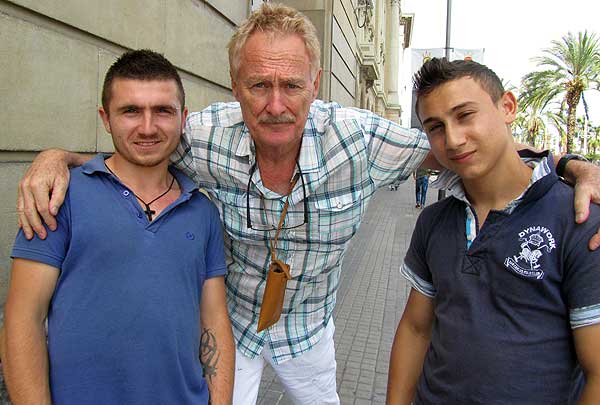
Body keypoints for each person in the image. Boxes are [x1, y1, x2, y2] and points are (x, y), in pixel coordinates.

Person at [13, 4, 600, 404]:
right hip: (231, 332)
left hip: (312, 334)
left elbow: (467, 144)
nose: (274, 104)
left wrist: (570, 165)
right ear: (234, 85)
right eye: (257, 85)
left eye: (291, 85)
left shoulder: (364, 141)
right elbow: (132, 145)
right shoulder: (204, 133)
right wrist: (55, 157)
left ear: (315, 84)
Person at [3, 50, 234, 404]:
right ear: (105, 118)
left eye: (162, 111)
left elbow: (213, 320)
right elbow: (22, 320)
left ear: (182, 118)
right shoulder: (59, 198)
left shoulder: (202, 211)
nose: (147, 127)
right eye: (130, 111)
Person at [386, 58, 600, 404]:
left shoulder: (579, 220)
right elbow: (416, 327)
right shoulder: (435, 221)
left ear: (507, 107)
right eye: (435, 127)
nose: (453, 140)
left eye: (465, 115)